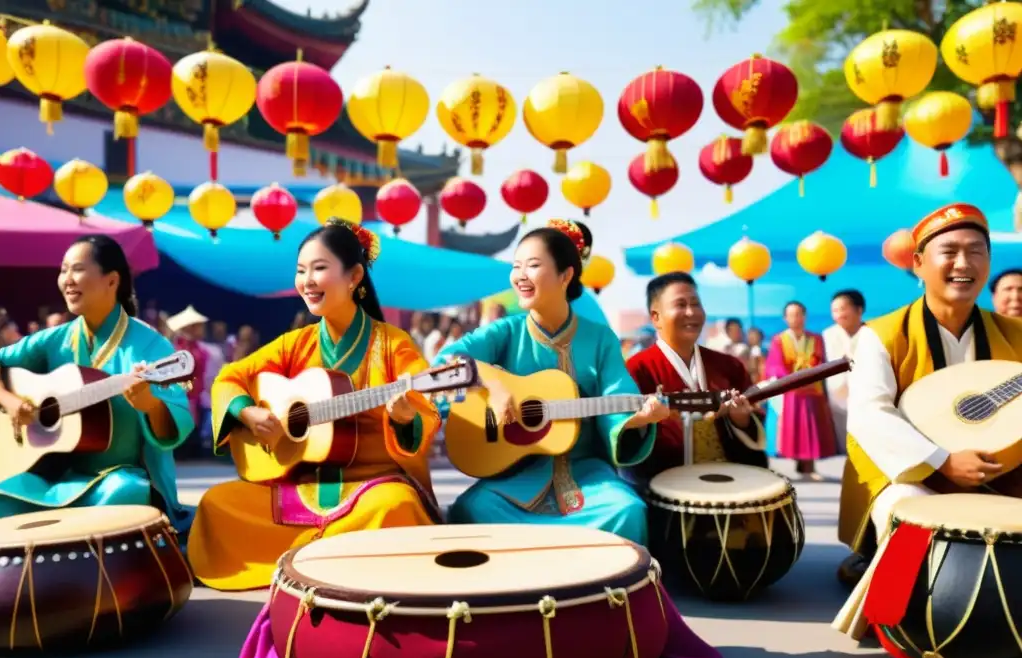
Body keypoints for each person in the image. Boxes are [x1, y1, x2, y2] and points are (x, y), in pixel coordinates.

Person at [187, 219, 442, 591]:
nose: (306, 280)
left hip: (369, 490)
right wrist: (249, 411)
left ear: (354, 276)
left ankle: (305, 559)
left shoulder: (392, 344)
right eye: (300, 270)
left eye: (319, 268)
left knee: (396, 506)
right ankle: (330, 557)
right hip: (301, 486)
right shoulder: (295, 343)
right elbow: (230, 377)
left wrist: (405, 418)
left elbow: (424, 408)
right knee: (217, 503)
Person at [436, 219, 670, 546]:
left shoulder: (600, 339)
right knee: (472, 509)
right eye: (516, 266)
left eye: (532, 265)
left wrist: (639, 419)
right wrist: (498, 387)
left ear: (565, 275)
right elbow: (447, 361)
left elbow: (620, 396)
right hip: (516, 476)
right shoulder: (506, 332)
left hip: (585, 475)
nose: (520, 275)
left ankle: (606, 596)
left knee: (627, 510)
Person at [836, 203, 1022, 594]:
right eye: (949, 251)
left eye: (976, 251)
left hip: (1004, 468)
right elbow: (870, 415)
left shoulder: (1015, 333)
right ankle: (904, 614)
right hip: (912, 472)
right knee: (910, 510)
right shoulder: (882, 335)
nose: (963, 262)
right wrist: (942, 460)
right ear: (918, 264)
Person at [0, 235, 193, 526]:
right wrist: (10, 400)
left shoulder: (151, 347)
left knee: (127, 493)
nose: (67, 280)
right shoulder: (56, 340)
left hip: (116, 479)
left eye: (77, 269)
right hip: (58, 476)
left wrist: (151, 405)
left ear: (112, 281)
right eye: (63, 270)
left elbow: (177, 423)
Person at [626, 272, 767, 484]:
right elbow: (622, 431)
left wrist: (741, 419)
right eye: (680, 305)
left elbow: (755, 416)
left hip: (729, 478)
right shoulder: (637, 368)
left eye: (696, 304)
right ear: (656, 317)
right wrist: (645, 420)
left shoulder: (729, 365)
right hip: (665, 481)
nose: (691, 312)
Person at [765, 301, 837, 481]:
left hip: (812, 389)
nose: (796, 318)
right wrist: (790, 379)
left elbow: (820, 361)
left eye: (799, 314)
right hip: (792, 390)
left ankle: (810, 466)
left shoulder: (815, 339)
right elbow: (774, 365)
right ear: (785, 318)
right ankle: (797, 466)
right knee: (795, 428)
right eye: (792, 315)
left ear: (804, 316)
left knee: (812, 429)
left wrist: (810, 375)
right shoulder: (779, 340)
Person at [822, 289, 866, 451]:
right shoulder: (827, 335)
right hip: (837, 397)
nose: (839, 314)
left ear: (859, 310)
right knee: (843, 442)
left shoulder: (871, 332)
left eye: (843, 309)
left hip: (865, 393)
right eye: (835, 310)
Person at [167, 306, 210, 458]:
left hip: (195, 398)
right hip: (180, 397)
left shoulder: (201, 349)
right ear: (190, 327)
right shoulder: (176, 347)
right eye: (199, 326)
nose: (203, 329)